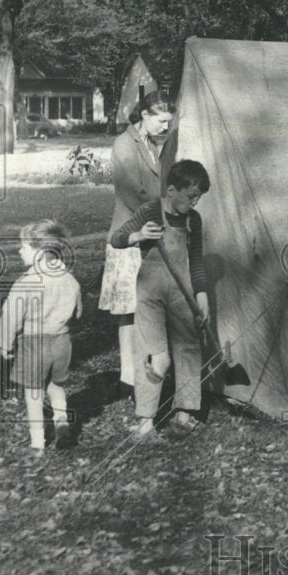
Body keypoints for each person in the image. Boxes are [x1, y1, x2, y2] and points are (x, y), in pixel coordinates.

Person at [111, 160, 210, 438]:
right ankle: (145, 422)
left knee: (188, 348)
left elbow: (197, 260)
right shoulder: (150, 211)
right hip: (150, 292)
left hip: (182, 291)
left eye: (199, 197)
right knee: (154, 353)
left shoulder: (194, 220)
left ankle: (184, 413)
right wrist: (138, 235)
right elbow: (116, 238)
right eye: (191, 196)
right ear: (171, 190)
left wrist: (202, 296)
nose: (195, 202)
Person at [99, 92, 175, 402]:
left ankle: (147, 373)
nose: (165, 127)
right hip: (129, 235)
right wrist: (160, 218)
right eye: (161, 120)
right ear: (143, 114)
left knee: (146, 308)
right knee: (128, 313)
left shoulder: (154, 146)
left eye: (169, 122)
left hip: (151, 232)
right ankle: (127, 377)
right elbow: (132, 194)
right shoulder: (123, 145)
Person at [0, 220, 82, 454]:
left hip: (34, 343)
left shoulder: (26, 282)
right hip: (62, 341)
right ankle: (61, 419)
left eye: (24, 246)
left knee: (33, 395)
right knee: (56, 385)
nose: (20, 250)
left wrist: (5, 343)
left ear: (40, 252)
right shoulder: (69, 279)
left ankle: (37, 443)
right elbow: (78, 311)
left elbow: (11, 315)